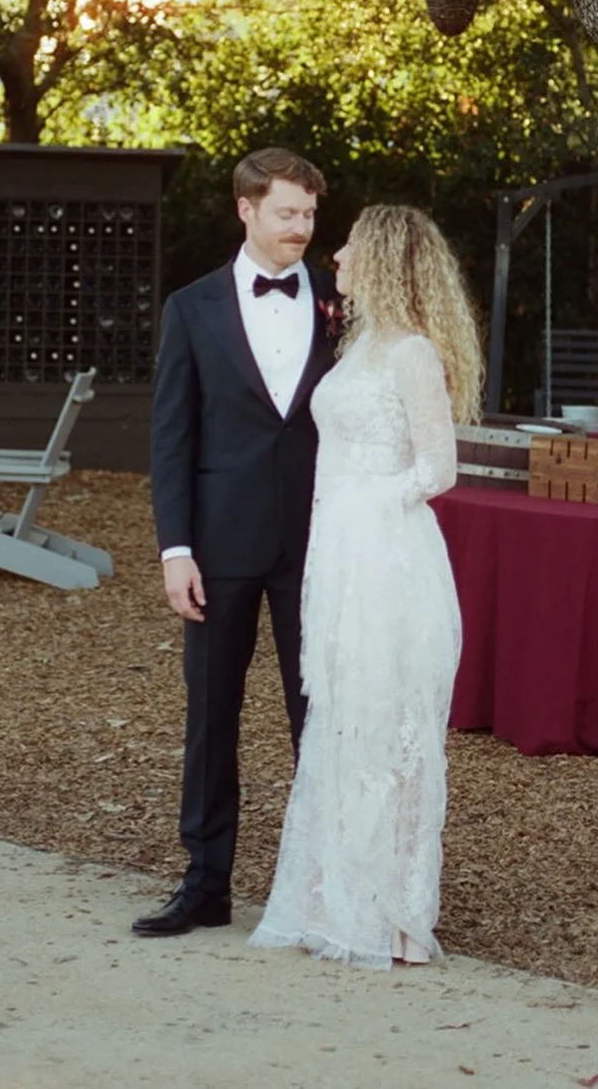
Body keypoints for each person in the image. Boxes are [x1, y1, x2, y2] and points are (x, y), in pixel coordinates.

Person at [249, 203, 483, 968]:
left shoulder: (411, 353)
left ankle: (396, 916)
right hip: (342, 559)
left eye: (350, 246)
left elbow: (436, 467)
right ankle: (337, 900)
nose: (336, 256)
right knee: (344, 722)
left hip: (388, 559)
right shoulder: (359, 347)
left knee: (389, 730)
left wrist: (363, 505)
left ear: (381, 258)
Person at [132, 147, 340, 938]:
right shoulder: (191, 309)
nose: (301, 229)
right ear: (245, 210)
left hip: (320, 544)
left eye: (310, 215)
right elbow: (169, 439)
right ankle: (204, 883)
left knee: (316, 714)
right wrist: (174, 549)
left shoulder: (337, 300)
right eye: (287, 213)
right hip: (216, 546)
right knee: (210, 717)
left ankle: (323, 885)